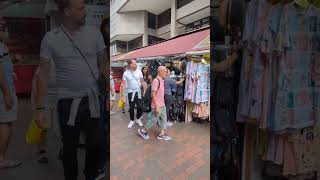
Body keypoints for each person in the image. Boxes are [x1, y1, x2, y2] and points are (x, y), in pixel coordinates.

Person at [35, 0, 107, 179]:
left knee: (97, 143)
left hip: (92, 99)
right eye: (81, 8)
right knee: (69, 148)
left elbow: (104, 63)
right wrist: (40, 108)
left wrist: (112, 92)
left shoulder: (94, 33)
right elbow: (42, 74)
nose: (85, 11)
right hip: (66, 102)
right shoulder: (51, 38)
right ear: (67, 11)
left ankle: (91, 174)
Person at [0, 17, 21, 169]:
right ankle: (1, 159)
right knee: (5, 123)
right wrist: (7, 92)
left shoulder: (2, 46)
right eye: (2, 28)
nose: (5, 31)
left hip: (5, 88)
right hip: (3, 91)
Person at [31, 63, 58, 164]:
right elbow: (37, 85)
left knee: (62, 126)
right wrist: (38, 106)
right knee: (43, 126)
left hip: (60, 97)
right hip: (44, 98)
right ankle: (42, 150)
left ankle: (64, 149)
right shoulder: (46, 63)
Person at [138, 66, 172, 141]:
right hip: (157, 105)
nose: (166, 73)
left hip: (162, 105)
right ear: (160, 72)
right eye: (165, 71)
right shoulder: (156, 81)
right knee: (153, 120)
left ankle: (162, 134)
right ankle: (142, 131)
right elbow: (153, 95)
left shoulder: (162, 80)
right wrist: (157, 106)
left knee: (164, 119)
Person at [121, 59, 147, 129]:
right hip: (130, 93)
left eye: (136, 64)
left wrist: (145, 90)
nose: (136, 65)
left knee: (140, 107)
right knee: (131, 108)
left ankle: (138, 119)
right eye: (135, 64)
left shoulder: (139, 72)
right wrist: (123, 95)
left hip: (138, 92)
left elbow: (142, 81)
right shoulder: (126, 73)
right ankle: (132, 120)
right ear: (131, 65)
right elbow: (123, 84)